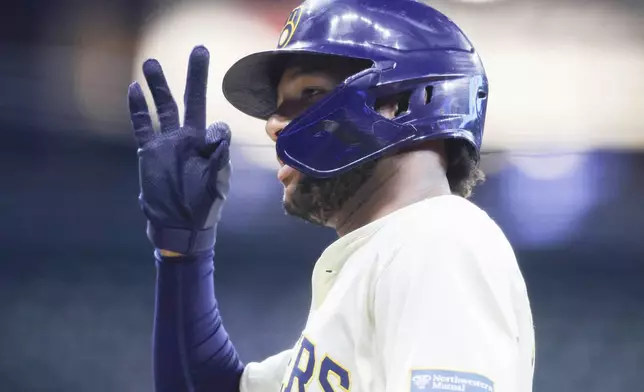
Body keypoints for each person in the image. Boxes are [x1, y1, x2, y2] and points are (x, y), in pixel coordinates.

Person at [127, 0, 535, 391]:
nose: (273, 124)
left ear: (398, 103)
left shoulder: (439, 240)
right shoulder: (385, 255)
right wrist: (184, 253)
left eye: (309, 93)